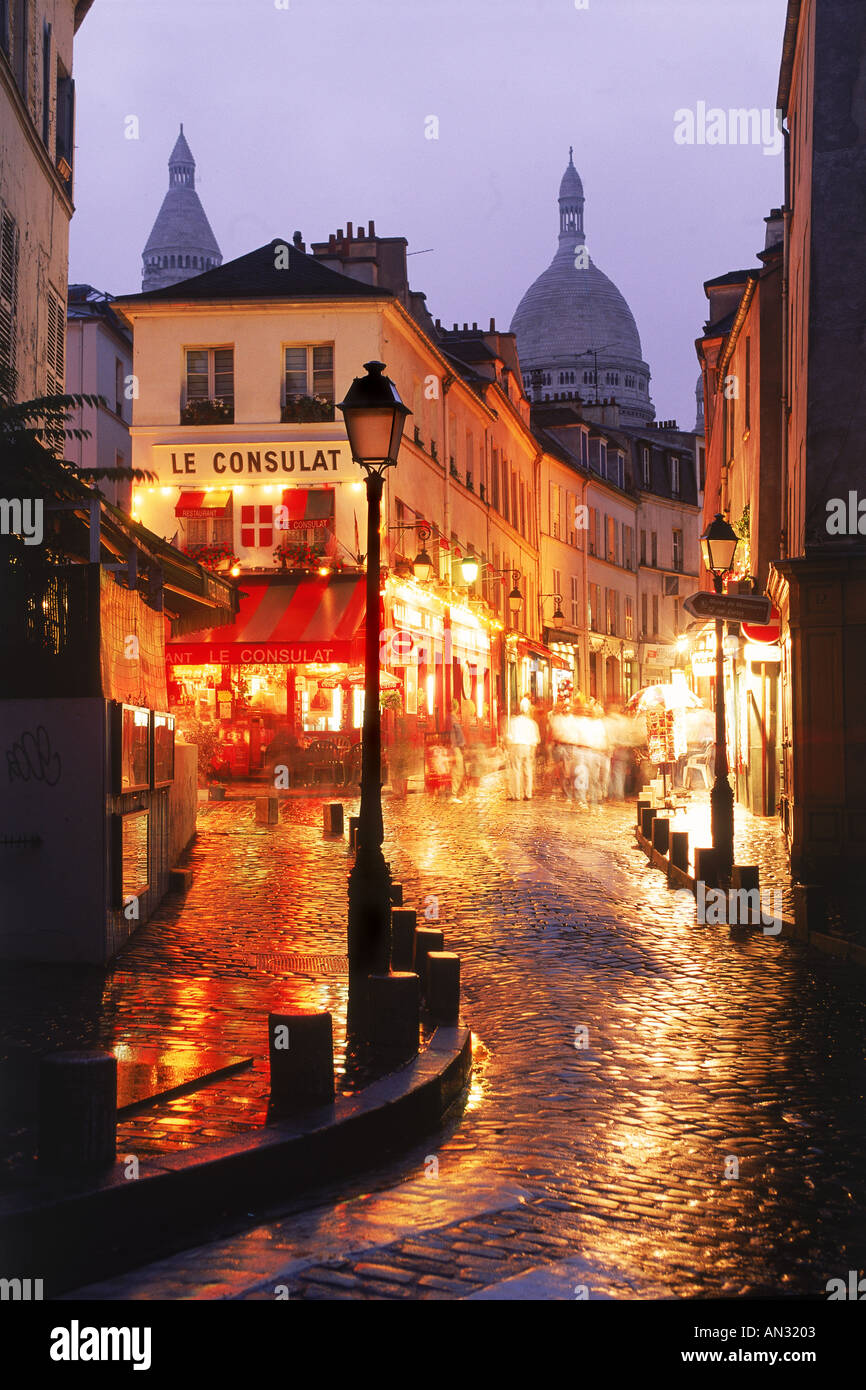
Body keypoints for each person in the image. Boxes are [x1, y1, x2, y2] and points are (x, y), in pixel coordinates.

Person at [506, 697, 541, 800]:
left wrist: (508, 746)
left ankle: (515, 795)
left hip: (516, 746)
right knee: (528, 770)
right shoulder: (532, 723)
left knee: (515, 770)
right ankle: (528, 794)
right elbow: (535, 739)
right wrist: (533, 750)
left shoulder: (513, 721)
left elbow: (509, 736)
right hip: (528, 747)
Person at [449, 699, 466, 802]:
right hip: (455, 747)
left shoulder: (450, 719)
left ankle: (457, 792)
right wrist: (462, 746)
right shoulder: (453, 719)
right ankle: (453, 795)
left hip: (454, 747)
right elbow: (458, 735)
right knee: (458, 771)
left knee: (457, 770)